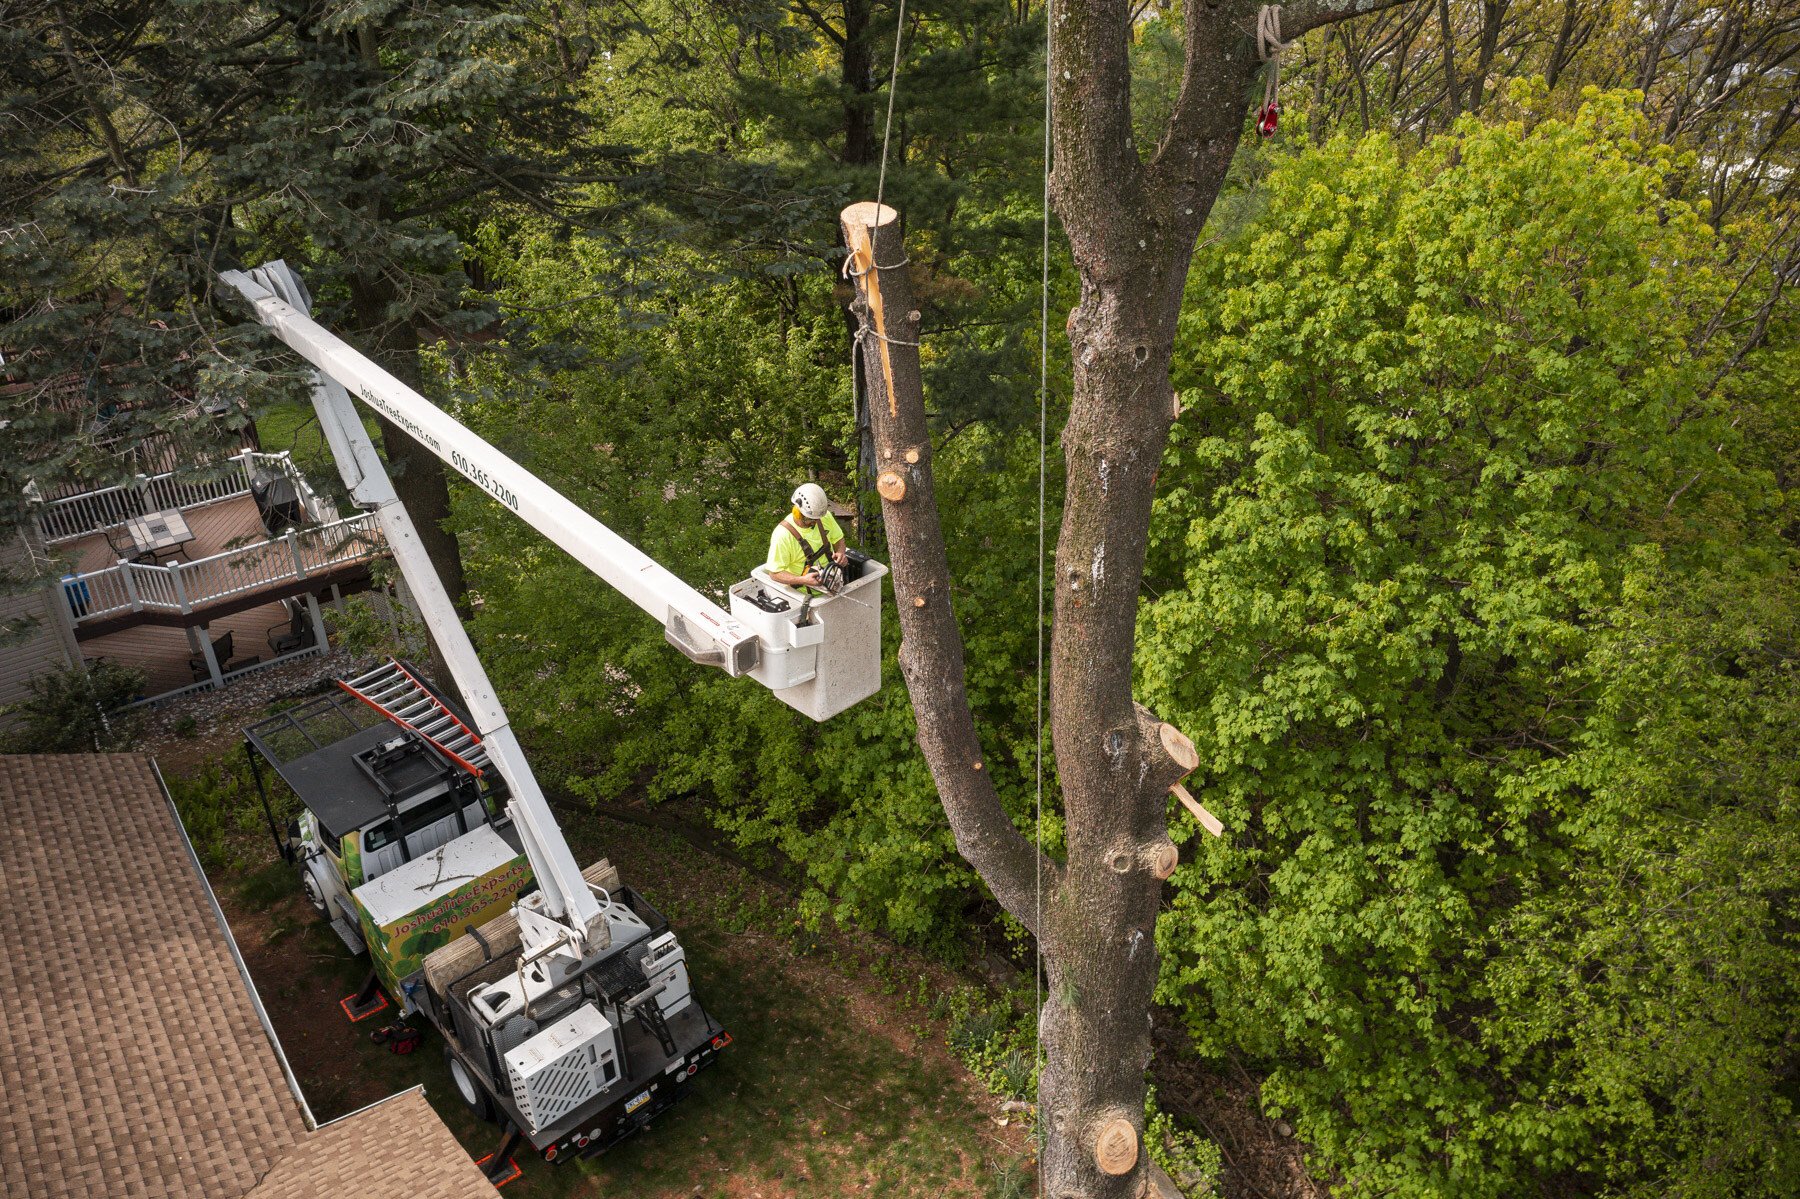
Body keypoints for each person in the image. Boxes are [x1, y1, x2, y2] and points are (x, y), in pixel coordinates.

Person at [767, 482, 848, 593]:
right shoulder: (783, 535)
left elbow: (839, 539)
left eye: (817, 519)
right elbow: (774, 573)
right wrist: (802, 580)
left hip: (834, 582)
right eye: (811, 519)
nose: (815, 522)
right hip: (805, 595)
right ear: (798, 513)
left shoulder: (824, 517)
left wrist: (840, 552)